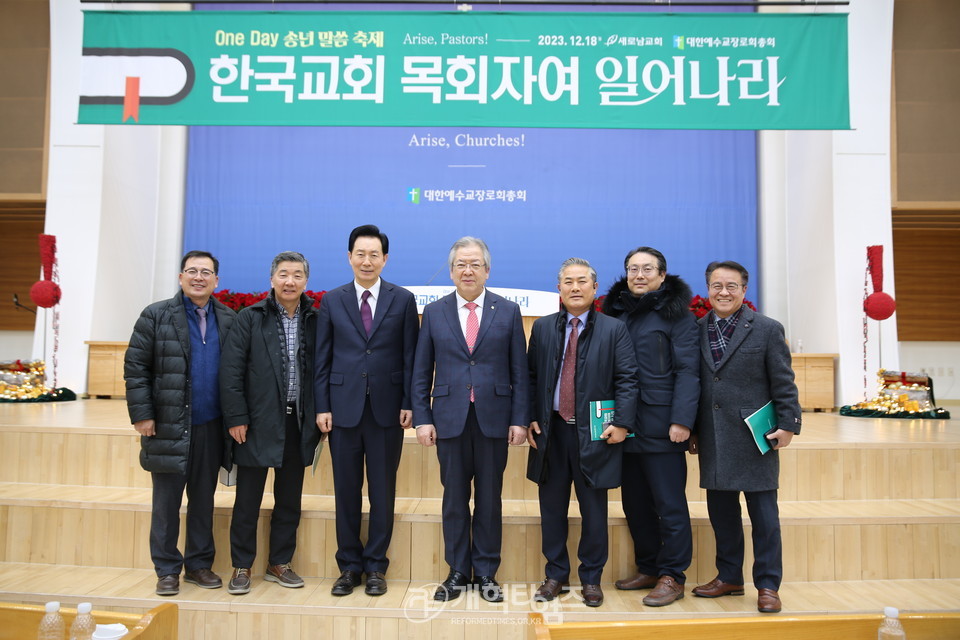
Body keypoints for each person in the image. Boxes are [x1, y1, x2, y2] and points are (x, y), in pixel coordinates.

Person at [411, 237, 529, 603]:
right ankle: (458, 570)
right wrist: (422, 418)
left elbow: (520, 372)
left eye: (475, 264)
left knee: (490, 499)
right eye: (461, 264)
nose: (468, 270)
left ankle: (488, 572)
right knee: (454, 498)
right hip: (449, 420)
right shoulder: (434, 312)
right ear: (451, 271)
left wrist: (520, 419)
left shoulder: (507, 311)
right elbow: (421, 371)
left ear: (487, 270)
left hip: (495, 419)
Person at [526, 257, 638, 608]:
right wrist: (530, 416)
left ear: (594, 287)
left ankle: (591, 578)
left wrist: (622, 422)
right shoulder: (543, 328)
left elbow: (628, 379)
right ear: (558, 288)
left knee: (594, 511)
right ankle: (555, 575)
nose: (575, 288)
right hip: (552, 432)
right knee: (552, 509)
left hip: (596, 433)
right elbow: (530, 378)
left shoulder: (613, 329)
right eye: (568, 282)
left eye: (582, 282)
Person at [314, 224, 419, 597]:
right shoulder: (332, 300)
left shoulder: (403, 300)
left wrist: (409, 402)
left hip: (387, 411)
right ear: (349, 257)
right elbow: (321, 359)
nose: (367, 260)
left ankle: (376, 567)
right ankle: (349, 567)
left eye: (375, 254)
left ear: (385, 259)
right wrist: (322, 406)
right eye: (360, 253)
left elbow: (411, 357)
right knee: (345, 491)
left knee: (382, 492)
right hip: (342, 411)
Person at [691, 260, 801, 614]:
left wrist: (788, 424)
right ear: (708, 289)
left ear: (744, 290)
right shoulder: (696, 329)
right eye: (717, 286)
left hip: (757, 435)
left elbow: (783, 381)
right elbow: (693, 385)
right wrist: (692, 429)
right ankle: (729, 577)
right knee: (721, 514)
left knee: (765, 518)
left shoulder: (767, 329)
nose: (723, 292)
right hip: (713, 435)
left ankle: (768, 585)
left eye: (731, 286)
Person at [124, 250, 236, 596]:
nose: (198, 277)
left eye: (206, 272)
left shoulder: (229, 319)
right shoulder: (156, 316)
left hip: (211, 425)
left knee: (203, 500)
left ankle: (199, 565)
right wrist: (142, 414)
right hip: (169, 424)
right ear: (180, 277)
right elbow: (136, 368)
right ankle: (167, 568)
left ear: (217, 280)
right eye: (192, 271)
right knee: (166, 502)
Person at [219, 251, 321, 595]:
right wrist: (236, 416)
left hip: (298, 424)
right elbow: (231, 371)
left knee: (289, 499)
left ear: (306, 281)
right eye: (283, 274)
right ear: (272, 279)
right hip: (256, 424)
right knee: (247, 500)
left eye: (297, 275)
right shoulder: (249, 318)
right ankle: (242, 566)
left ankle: (280, 562)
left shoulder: (315, 320)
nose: (289, 281)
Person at [602, 247, 699, 606]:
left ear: (662, 275)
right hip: (623, 426)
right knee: (636, 504)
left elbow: (688, 371)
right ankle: (649, 567)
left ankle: (673, 576)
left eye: (647, 269)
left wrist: (682, 420)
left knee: (669, 505)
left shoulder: (677, 316)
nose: (639, 275)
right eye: (632, 269)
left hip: (662, 425)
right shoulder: (614, 313)